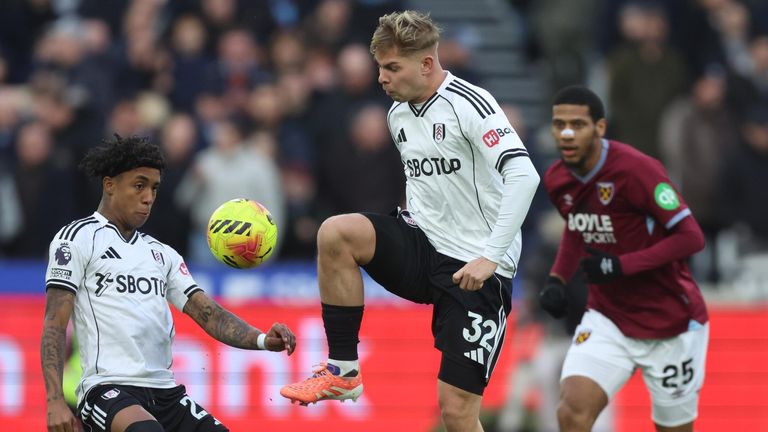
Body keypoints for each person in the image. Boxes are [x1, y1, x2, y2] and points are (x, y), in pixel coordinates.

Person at [280, 10, 540, 432]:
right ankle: (343, 372)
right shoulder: (397, 115)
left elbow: (524, 175)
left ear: (426, 64)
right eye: (380, 67)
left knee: (456, 413)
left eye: (391, 68)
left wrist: (492, 256)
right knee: (337, 233)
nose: (381, 78)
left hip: (477, 270)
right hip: (424, 248)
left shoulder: (471, 104)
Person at [41, 135, 297, 432]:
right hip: (106, 389)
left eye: (154, 188)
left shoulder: (162, 254)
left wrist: (264, 339)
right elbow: (54, 324)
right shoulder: (77, 238)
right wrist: (55, 400)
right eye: (139, 185)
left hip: (165, 392)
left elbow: (209, 314)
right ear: (109, 185)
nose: (148, 196)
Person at [539, 85, 709, 432]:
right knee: (571, 412)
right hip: (608, 318)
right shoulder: (557, 178)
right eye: (559, 124)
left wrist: (621, 266)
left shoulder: (637, 170)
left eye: (577, 124)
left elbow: (692, 237)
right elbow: (578, 226)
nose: (567, 133)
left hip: (670, 323)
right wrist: (557, 279)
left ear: (599, 128)